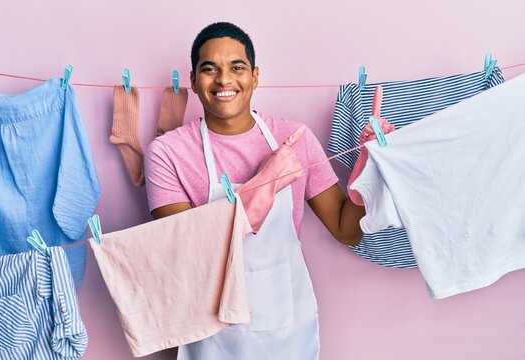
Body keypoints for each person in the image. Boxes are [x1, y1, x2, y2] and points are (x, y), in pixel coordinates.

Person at [145, 22, 374, 360]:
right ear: (193, 81)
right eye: (210, 70)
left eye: (236, 67)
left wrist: (367, 169)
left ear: (254, 76)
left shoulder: (295, 138)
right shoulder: (167, 152)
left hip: (286, 325)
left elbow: (347, 230)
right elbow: (187, 248)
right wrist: (265, 183)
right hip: (212, 334)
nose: (224, 80)